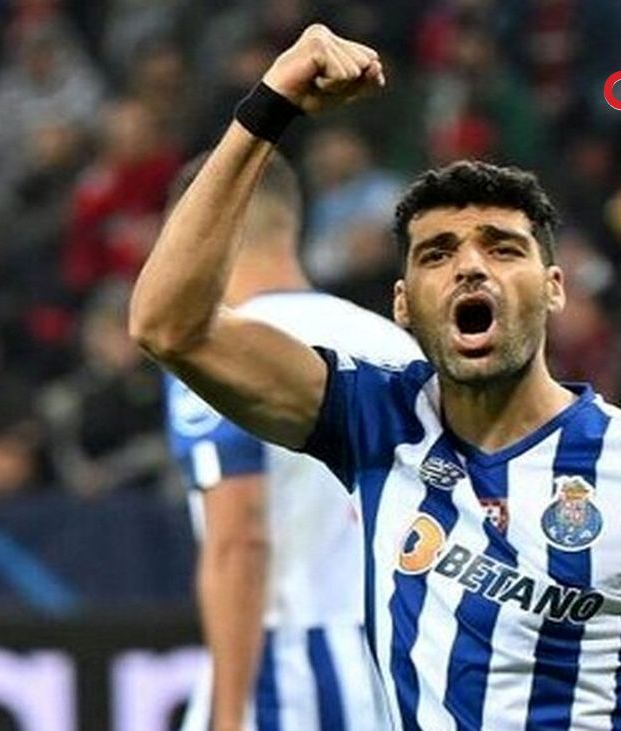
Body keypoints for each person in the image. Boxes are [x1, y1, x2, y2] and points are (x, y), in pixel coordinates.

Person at [130, 24, 621, 731]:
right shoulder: (375, 421)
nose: (470, 265)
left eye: (503, 247)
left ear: (554, 288)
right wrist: (269, 106)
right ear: (403, 304)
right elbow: (169, 326)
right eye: (438, 253)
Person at [164, 151, 416, 731]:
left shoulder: (218, 351)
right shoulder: (394, 346)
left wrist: (229, 715)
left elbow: (239, 537)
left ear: (202, 228)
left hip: (287, 668)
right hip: (395, 663)